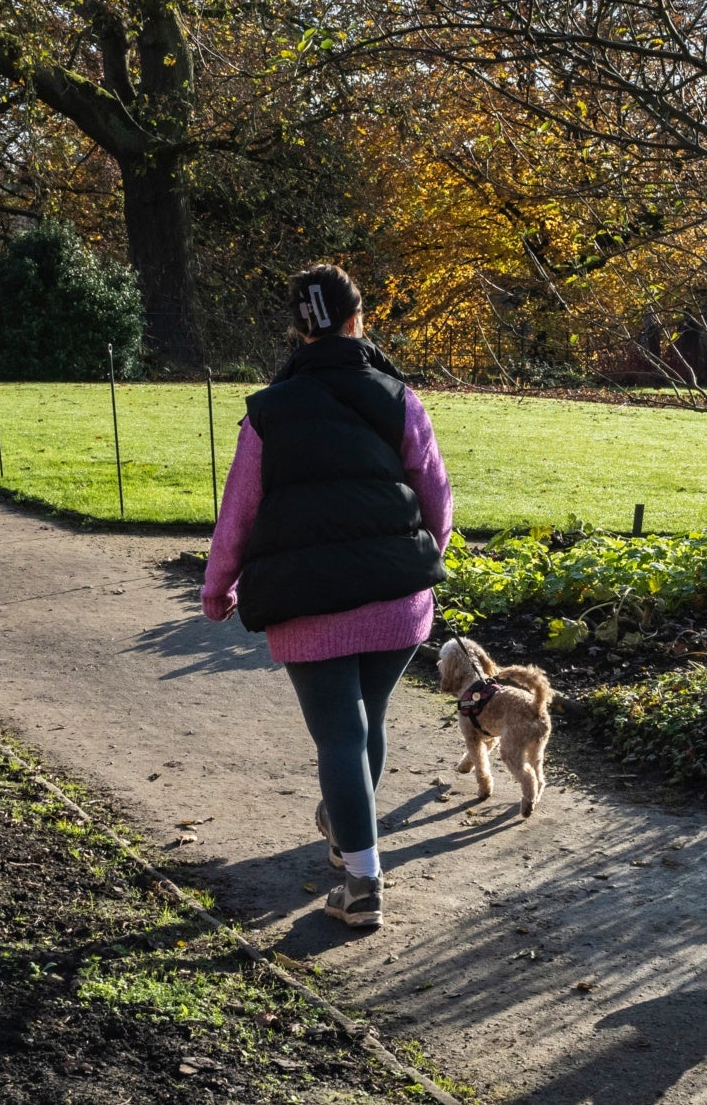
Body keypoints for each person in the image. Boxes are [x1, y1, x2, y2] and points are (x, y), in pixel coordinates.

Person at [199, 265, 451, 929]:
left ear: (297, 329)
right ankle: (349, 836)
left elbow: (239, 514)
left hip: (309, 603)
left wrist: (217, 586)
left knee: (340, 731)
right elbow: (436, 497)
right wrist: (421, 559)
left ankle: (363, 882)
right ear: (356, 320)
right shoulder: (397, 396)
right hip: (396, 597)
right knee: (365, 721)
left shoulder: (269, 412)